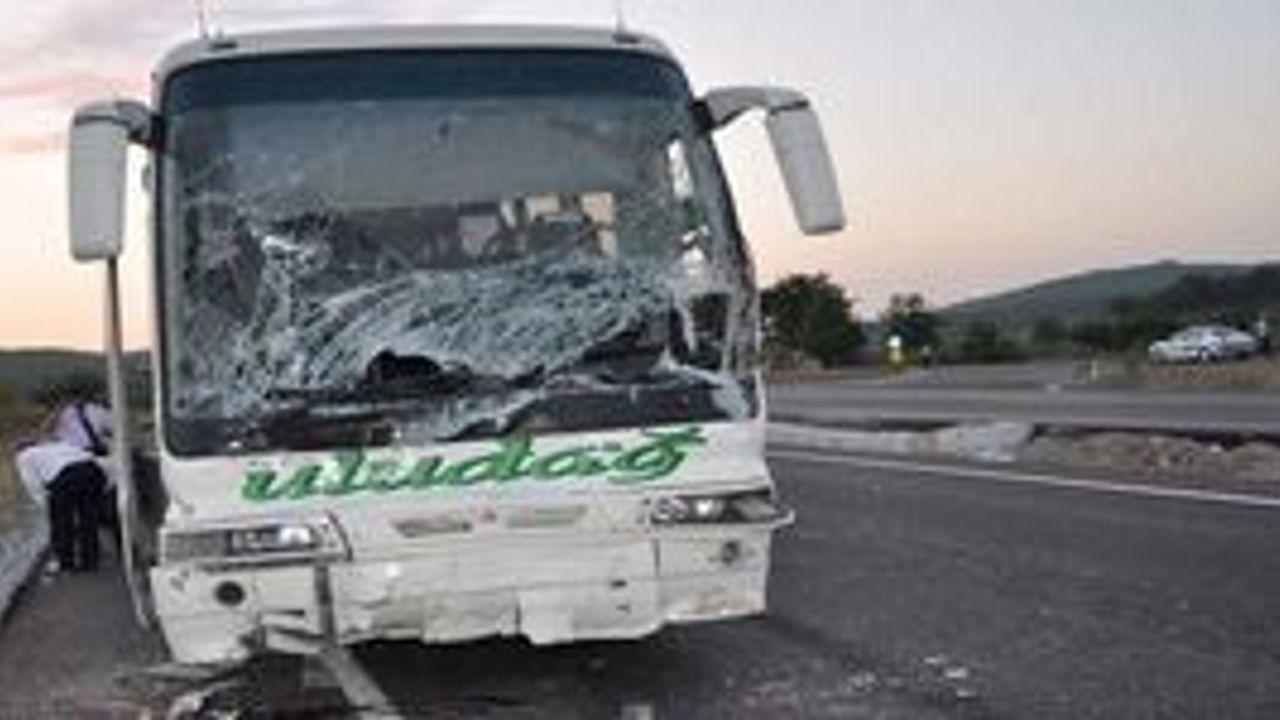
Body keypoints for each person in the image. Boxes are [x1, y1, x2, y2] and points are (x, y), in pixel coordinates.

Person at [13, 439, 106, 573]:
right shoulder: (57, 446)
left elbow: (32, 484)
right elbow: (90, 457)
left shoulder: (24, 456)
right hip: (93, 471)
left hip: (66, 477)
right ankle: (90, 562)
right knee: (89, 520)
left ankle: (66, 563)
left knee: (62, 524)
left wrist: (47, 505)